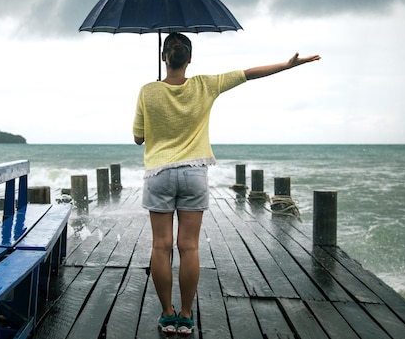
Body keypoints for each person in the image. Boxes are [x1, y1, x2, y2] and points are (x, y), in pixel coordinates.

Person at [132, 32, 320, 335]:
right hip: (194, 174)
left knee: (161, 246)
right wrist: (288, 65)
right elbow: (248, 75)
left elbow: (138, 137)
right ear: (189, 59)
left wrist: (158, 105)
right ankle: (186, 314)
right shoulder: (206, 84)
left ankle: (167, 314)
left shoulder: (147, 91)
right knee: (189, 247)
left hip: (159, 175)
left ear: (163, 57)